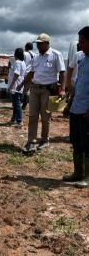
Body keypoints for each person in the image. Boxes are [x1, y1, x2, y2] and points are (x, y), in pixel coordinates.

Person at [17, 33, 66, 153]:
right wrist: (22, 84)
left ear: (47, 43)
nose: (38, 46)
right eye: (37, 44)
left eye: (40, 44)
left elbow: (62, 73)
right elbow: (31, 73)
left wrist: (63, 89)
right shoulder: (36, 57)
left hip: (48, 90)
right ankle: (31, 141)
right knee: (33, 116)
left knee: (45, 117)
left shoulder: (56, 55)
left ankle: (45, 140)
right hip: (34, 89)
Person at [63, 26, 89, 188]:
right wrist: (70, 103)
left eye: (84, 42)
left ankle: (87, 176)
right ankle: (77, 172)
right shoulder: (82, 58)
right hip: (76, 107)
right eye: (79, 42)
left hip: (87, 110)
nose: (80, 45)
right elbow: (78, 83)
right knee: (77, 141)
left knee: (88, 143)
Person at [7, 48, 26, 126]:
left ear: (15, 54)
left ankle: (19, 120)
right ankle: (14, 118)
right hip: (19, 85)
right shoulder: (23, 62)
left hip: (15, 86)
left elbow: (16, 74)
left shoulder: (17, 63)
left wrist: (11, 86)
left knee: (17, 103)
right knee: (15, 103)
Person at [22, 42, 36, 109]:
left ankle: (20, 103)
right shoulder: (35, 55)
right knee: (27, 90)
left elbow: (21, 63)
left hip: (23, 74)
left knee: (19, 88)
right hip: (31, 74)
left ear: (26, 47)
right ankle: (24, 105)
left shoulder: (24, 53)